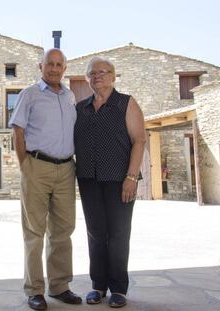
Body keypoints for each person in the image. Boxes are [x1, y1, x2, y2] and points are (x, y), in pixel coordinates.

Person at [9, 48, 82, 310]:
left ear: (65, 68)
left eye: (58, 64)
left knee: (63, 231)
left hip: (66, 169)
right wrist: (24, 166)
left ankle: (60, 286)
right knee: (34, 232)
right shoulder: (29, 94)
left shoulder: (70, 96)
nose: (53, 68)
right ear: (41, 66)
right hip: (36, 167)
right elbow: (17, 131)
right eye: (49, 64)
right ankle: (34, 290)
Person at [74, 57, 146, 308]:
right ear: (87, 79)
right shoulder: (80, 108)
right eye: (92, 73)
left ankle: (118, 289)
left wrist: (131, 177)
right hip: (88, 179)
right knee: (95, 234)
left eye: (104, 72)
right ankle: (98, 286)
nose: (98, 76)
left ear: (114, 76)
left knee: (118, 234)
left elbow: (139, 140)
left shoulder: (126, 103)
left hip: (120, 180)